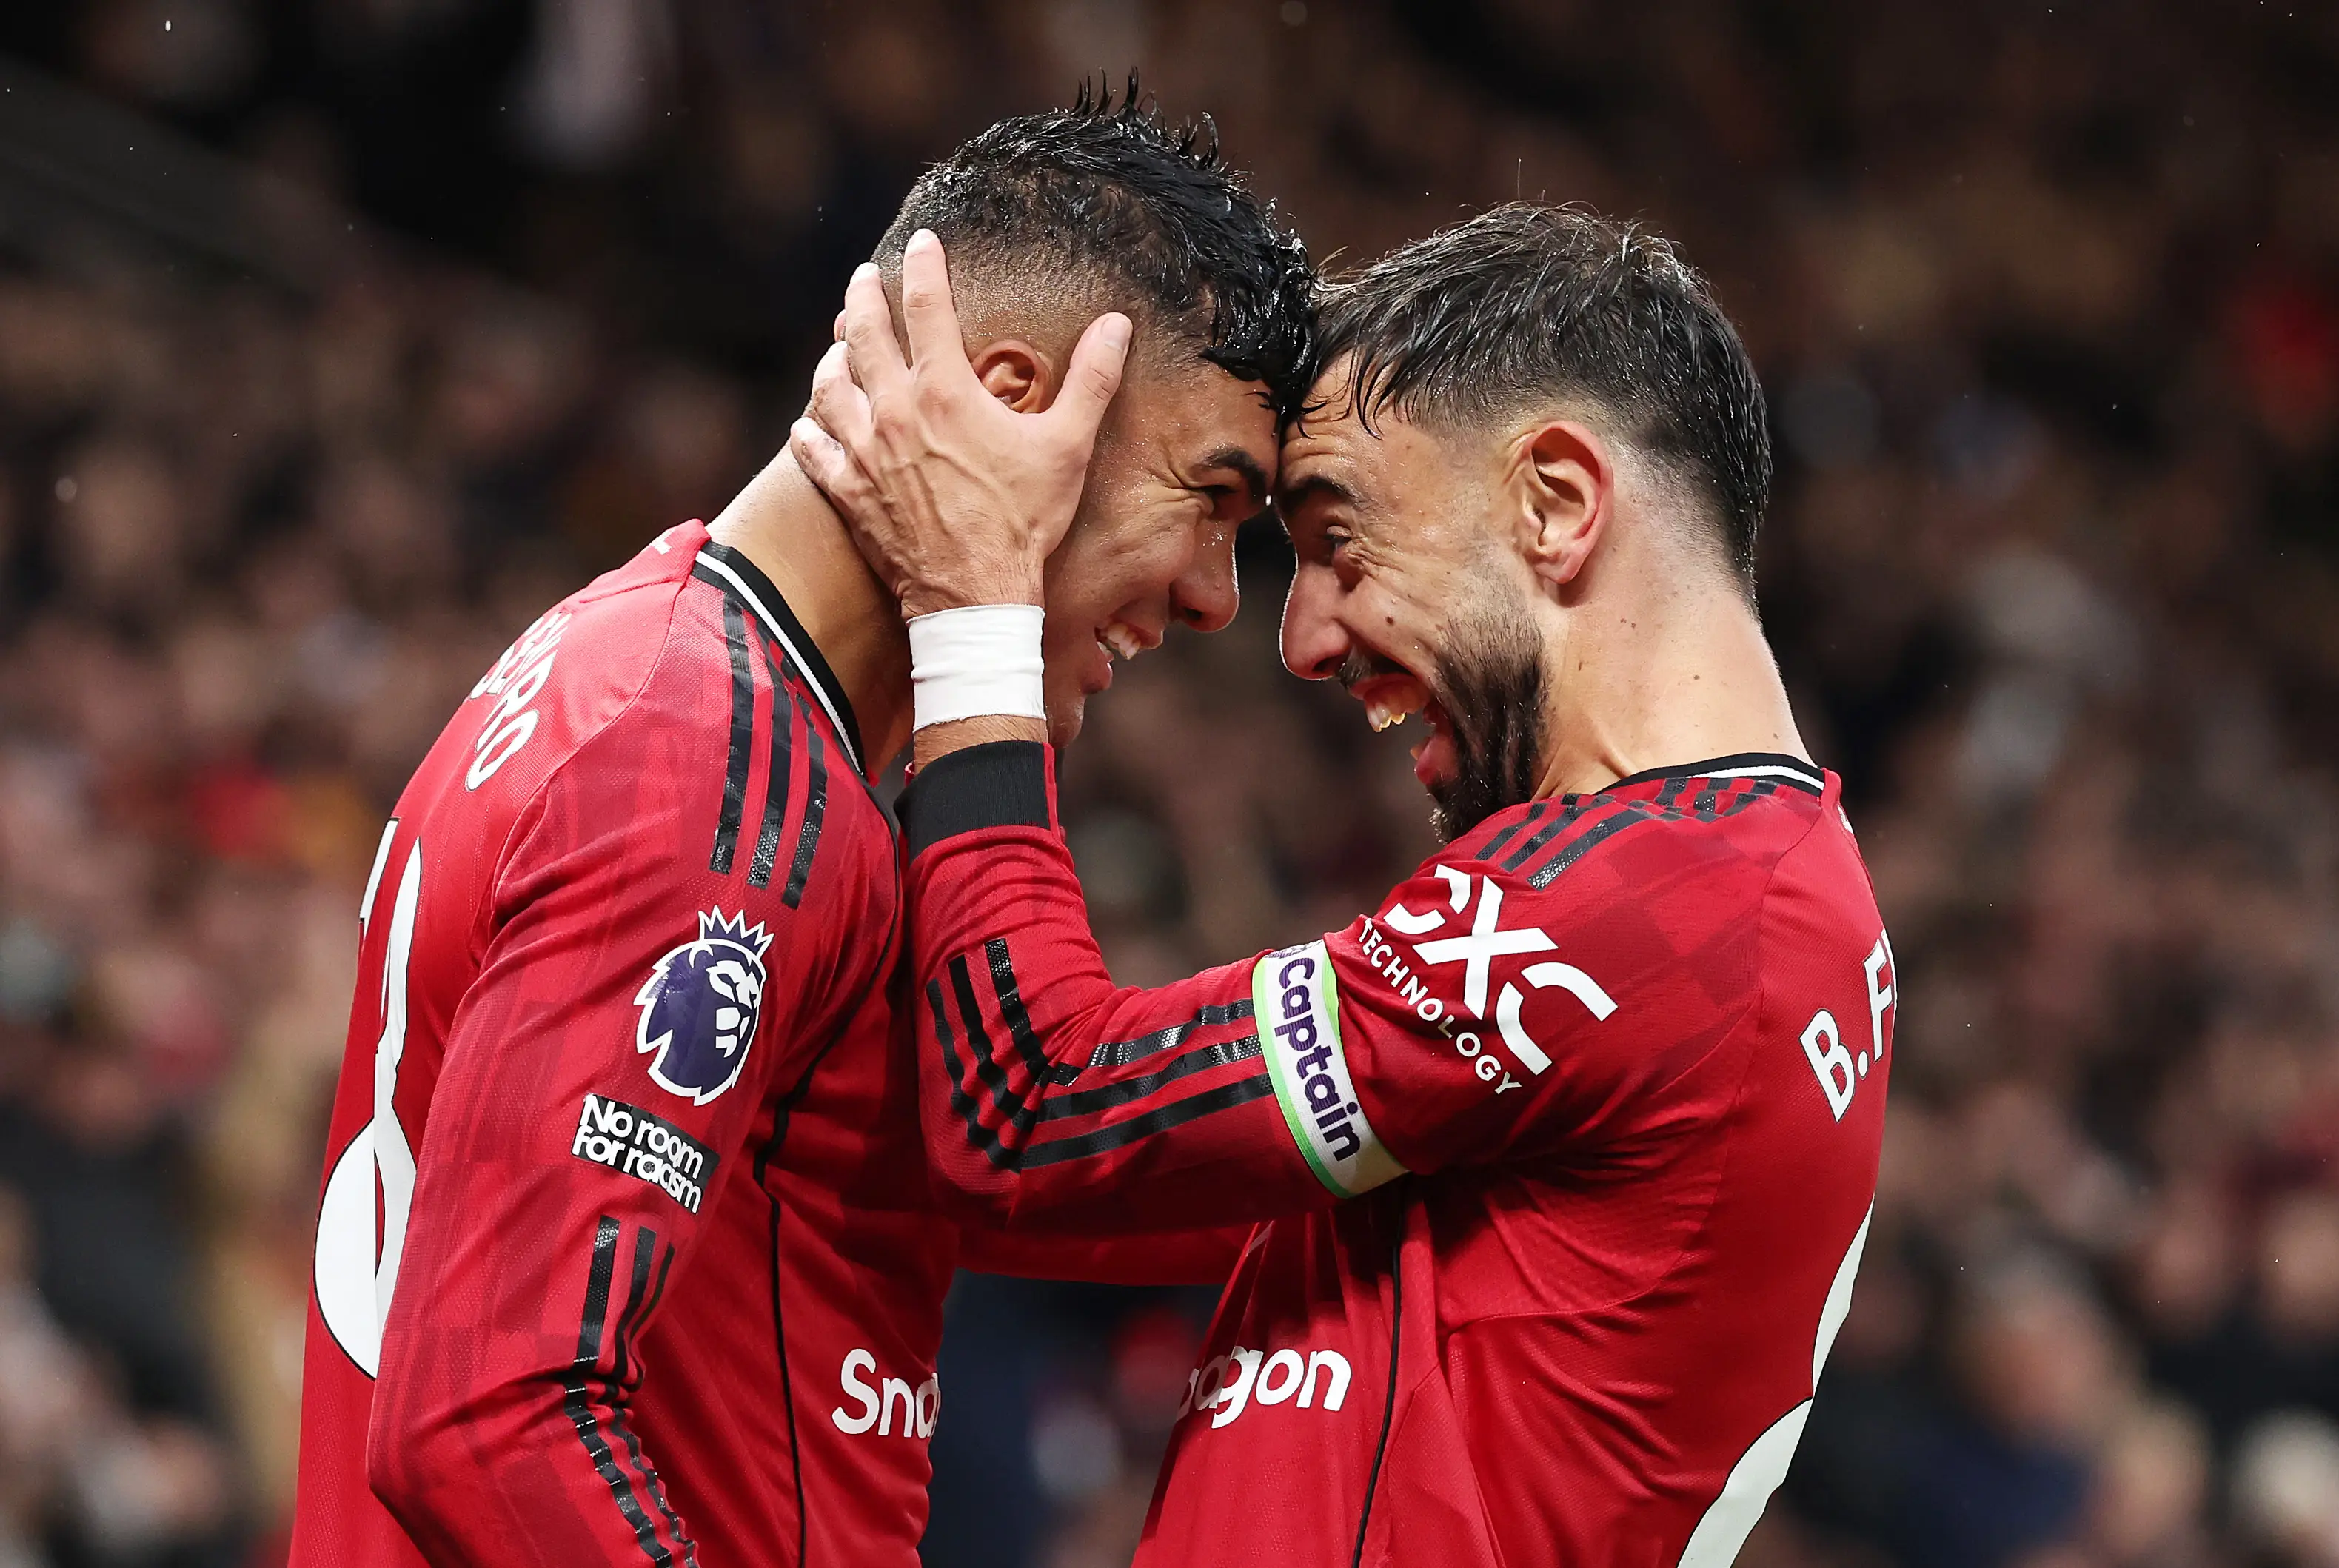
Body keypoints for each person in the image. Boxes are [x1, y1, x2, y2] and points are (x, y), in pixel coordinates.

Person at [287, 81, 1316, 1568]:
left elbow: (1003, 1145)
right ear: (1012, 402)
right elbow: (493, 1419)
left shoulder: (648, 661)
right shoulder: (707, 756)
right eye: (1211, 499)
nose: (1221, 594)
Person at [790, 201, 1895, 1567]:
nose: (1302, 638)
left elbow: (1032, 1110)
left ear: (1555, 504)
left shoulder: (1657, 908)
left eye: (1339, 539)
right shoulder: (1758, 884)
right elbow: (1118, 1189)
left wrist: (975, 610)